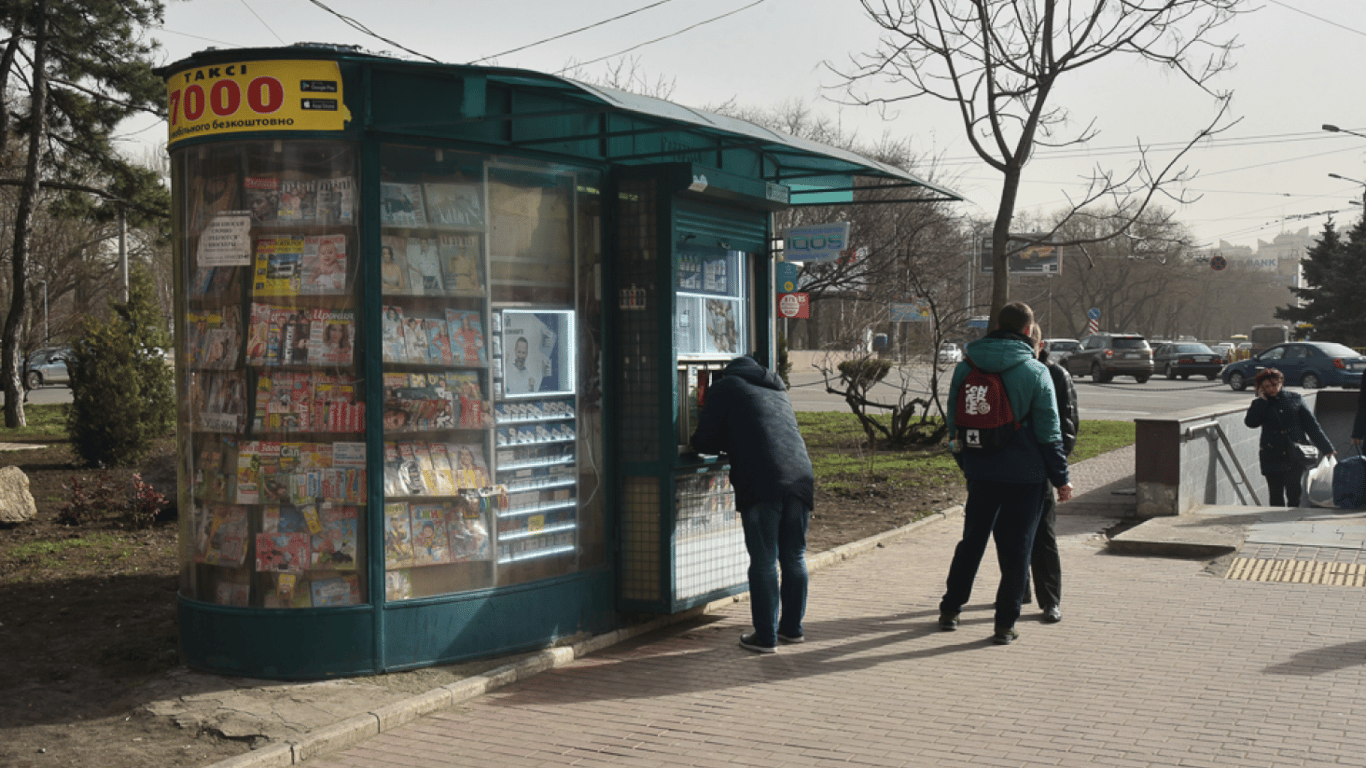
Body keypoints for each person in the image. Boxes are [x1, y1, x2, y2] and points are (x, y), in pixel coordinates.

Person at [940, 302, 1073, 646]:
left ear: (998, 325)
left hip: (981, 471)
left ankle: (951, 609)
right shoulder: (1035, 370)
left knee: (972, 542)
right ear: (1028, 331)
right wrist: (1060, 478)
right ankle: (1004, 623)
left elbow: (954, 424)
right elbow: (1049, 432)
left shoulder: (966, 366)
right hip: (1025, 474)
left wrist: (968, 464)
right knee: (1019, 549)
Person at [691, 354, 814, 654]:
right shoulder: (776, 387)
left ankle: (766, 636)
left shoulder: (726, 387)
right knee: (794, 557)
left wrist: (725, 436)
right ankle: (792, 630)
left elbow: (703, 441)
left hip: (762, 482)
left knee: (764, 560)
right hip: (801, 478)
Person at [1023, 323, 1078, 623]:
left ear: (1040, 346)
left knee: (1043, 535)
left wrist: (1056, 469)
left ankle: (1050, 599)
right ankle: (1020, 589)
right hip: (1016, 466)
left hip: (1043, 467)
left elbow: (1067, 425)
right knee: (1014, 534)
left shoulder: (1056, 375)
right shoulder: (1012, 372)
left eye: (1032, 342)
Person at [1244, 367, 1334, 507]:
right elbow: (1250, 423)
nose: (1272, 389)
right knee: (1275, 493)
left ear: (1281, 382)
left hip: (1295, 453)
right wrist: (1262, 401)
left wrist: (1327, 448)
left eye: (1274, 384)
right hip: (1271, 454)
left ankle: (1291, 520)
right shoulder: (1259, 403)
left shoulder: (1294, 399)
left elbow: (1312, 426)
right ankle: (1275, 523)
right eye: (1267, 386)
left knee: (1294, 492)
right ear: (1261, 388)